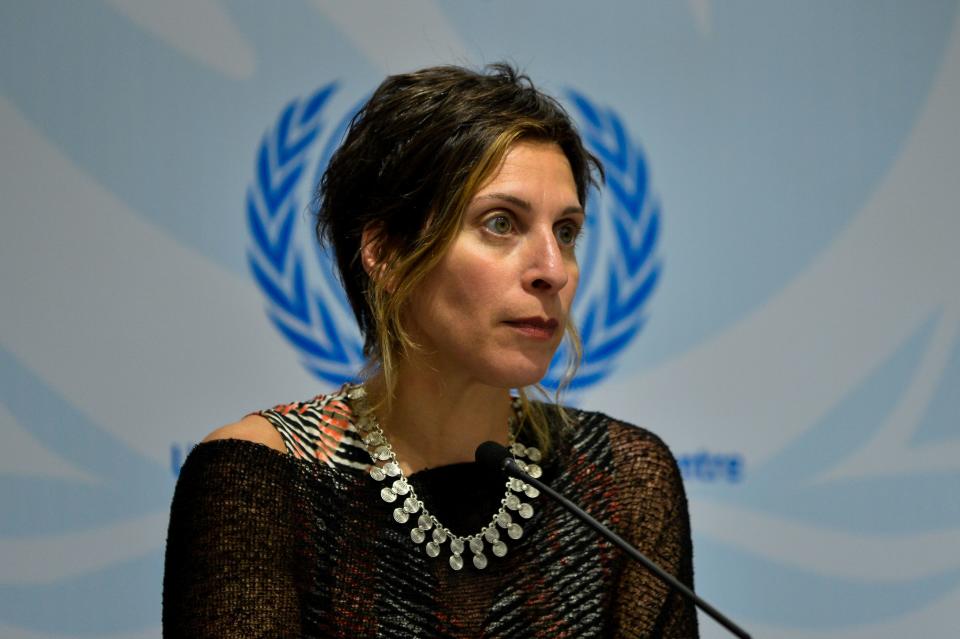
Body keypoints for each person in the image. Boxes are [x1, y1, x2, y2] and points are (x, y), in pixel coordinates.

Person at [163, 63, 697, 638]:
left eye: (565, 232)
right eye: (501, 223)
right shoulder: (262, 480)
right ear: (388, 254)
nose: (552, 271)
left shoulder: (621, 479)